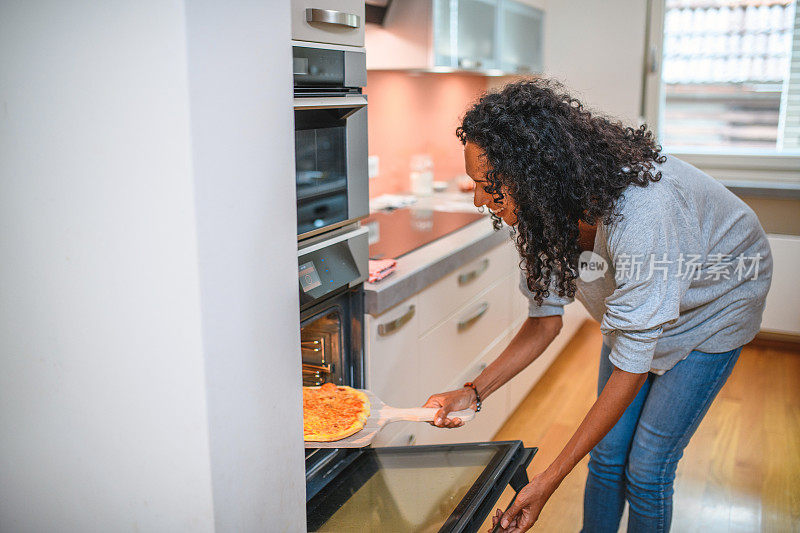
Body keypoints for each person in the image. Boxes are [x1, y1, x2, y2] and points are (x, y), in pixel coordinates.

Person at [422, 79, 772, 533]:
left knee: (647, 467)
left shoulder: (642, 213)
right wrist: (474, 392)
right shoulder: (544, 210)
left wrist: (547, 480)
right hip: (647, 303)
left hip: (715, 306)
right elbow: (544, 322)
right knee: (607, 457)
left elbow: (631, 364)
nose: (477, 199)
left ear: (535, 173)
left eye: (487, 184)